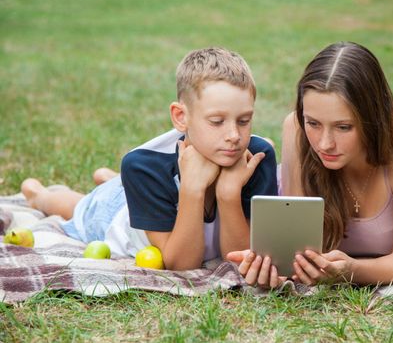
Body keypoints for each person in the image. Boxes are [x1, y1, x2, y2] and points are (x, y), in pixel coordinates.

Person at [21, 47, 278, 271]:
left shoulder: (255, 157)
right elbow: (181, 265)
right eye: (217, 122)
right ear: (180, 117)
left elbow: (240, 258)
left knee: (119, 189)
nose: (234, 135)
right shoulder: (144, 167)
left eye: (244, 121)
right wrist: (192, 187)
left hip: (151, 197)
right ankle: (39, 193)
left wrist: (228, 193)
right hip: (116, 214)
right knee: (87, 206)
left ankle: (112, 180)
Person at [227, 41, 393, 288]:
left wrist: (353, 270)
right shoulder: (296, 128)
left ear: (373, 117)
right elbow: (294, 256)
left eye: (343, 127)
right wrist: (273, 270)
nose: (325, 144)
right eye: (313, 123)